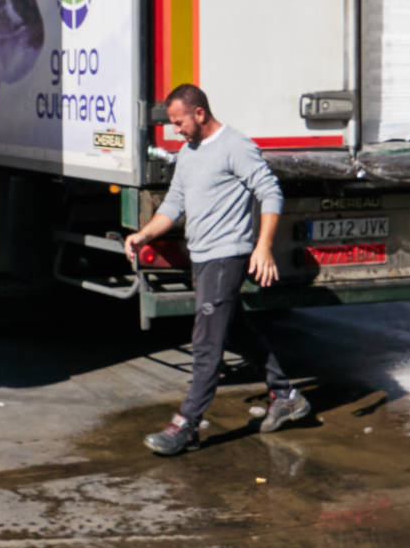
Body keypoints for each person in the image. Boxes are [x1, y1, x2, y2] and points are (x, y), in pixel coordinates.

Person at [124, 84, 312, 455]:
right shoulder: (189, 153)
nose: (175, 130)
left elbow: (270, 191)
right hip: (203, 257)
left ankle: (187, 425)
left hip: (227, 257)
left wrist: (263, 246)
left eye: (178, 122)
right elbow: (173, 203)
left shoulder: (235, 146)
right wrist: (143, 235)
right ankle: (286, 394)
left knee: (206, 343)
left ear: (199, 113)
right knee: (234, 331)